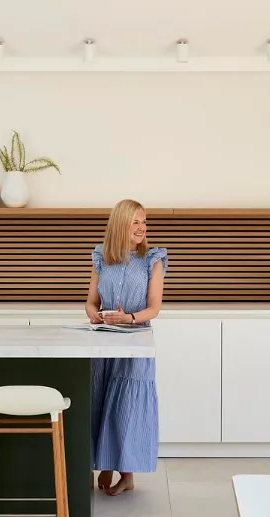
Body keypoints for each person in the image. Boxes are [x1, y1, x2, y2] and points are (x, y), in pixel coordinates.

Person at [85, 199, 167, 496]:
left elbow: (154, 308)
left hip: (136, 340)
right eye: (136, 222)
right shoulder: (101, 257)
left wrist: (129, 318)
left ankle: (128, 475)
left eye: (144, 222)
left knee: (126, 407)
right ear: (120, 224)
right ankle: (105, 464)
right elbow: (91, 301)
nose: (142, 228)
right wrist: (94, 314)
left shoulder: (153, 259)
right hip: (105, 340)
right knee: (101, 399)